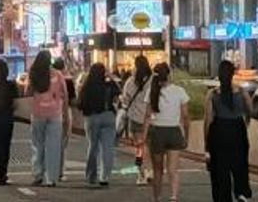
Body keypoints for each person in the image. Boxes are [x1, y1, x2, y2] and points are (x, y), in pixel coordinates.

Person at [204, 60, 253, 202]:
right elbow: (250, 110)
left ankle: (223, 197)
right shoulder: (242, 92)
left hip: (219, 131)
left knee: (220, 170)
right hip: (238, 130)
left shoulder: (213, 94)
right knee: (240, 164)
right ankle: (241, 192)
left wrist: (206, 144)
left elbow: (208, 120)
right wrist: (246, 122)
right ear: (233, 74)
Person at [144, 62, 190, 202]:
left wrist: (144, 136)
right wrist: (186, 135)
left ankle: (157, 197)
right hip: (174, 131)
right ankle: (173, 196)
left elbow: (147, 116)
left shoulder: (152, 91)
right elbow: (186, 116)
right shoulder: (179, 91)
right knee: (173, 169)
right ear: (169, 75)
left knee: (157, 169)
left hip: (157, 131)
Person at [27, 50, 67, 187]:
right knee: (53, 146)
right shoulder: (58, 74)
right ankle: (51, 178)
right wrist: (65, 112)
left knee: (37, 145)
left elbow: (28, 92)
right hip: (55, 114)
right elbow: (65, 94)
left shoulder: (33, 74)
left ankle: (38, 174)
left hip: (38, 114)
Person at [79, 62, 120, 188]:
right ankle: (104, 177)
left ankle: (92, 176)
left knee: (93, 146)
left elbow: (81, 103)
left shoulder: (87, 86)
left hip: (92, 117)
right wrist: (111, 77)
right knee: (108, 148)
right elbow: (118, 92)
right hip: (108, 116)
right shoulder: (108, 85)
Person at [121, 55, 153, 186]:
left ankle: (141, 174)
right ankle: (150, 170)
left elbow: (125, 99)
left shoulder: (130, 81)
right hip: (151, 119)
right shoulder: (153, 80)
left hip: (136, 118)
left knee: (139, 149)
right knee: (150, 147)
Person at [52, 58, 75, 181]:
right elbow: (73, 100)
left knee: (51, 142)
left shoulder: (50, 80)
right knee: (62, 143)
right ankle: (59, 171)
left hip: (50, 111)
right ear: (64, 67)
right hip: (64, 111)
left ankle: (50, 169)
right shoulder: (68, 81)